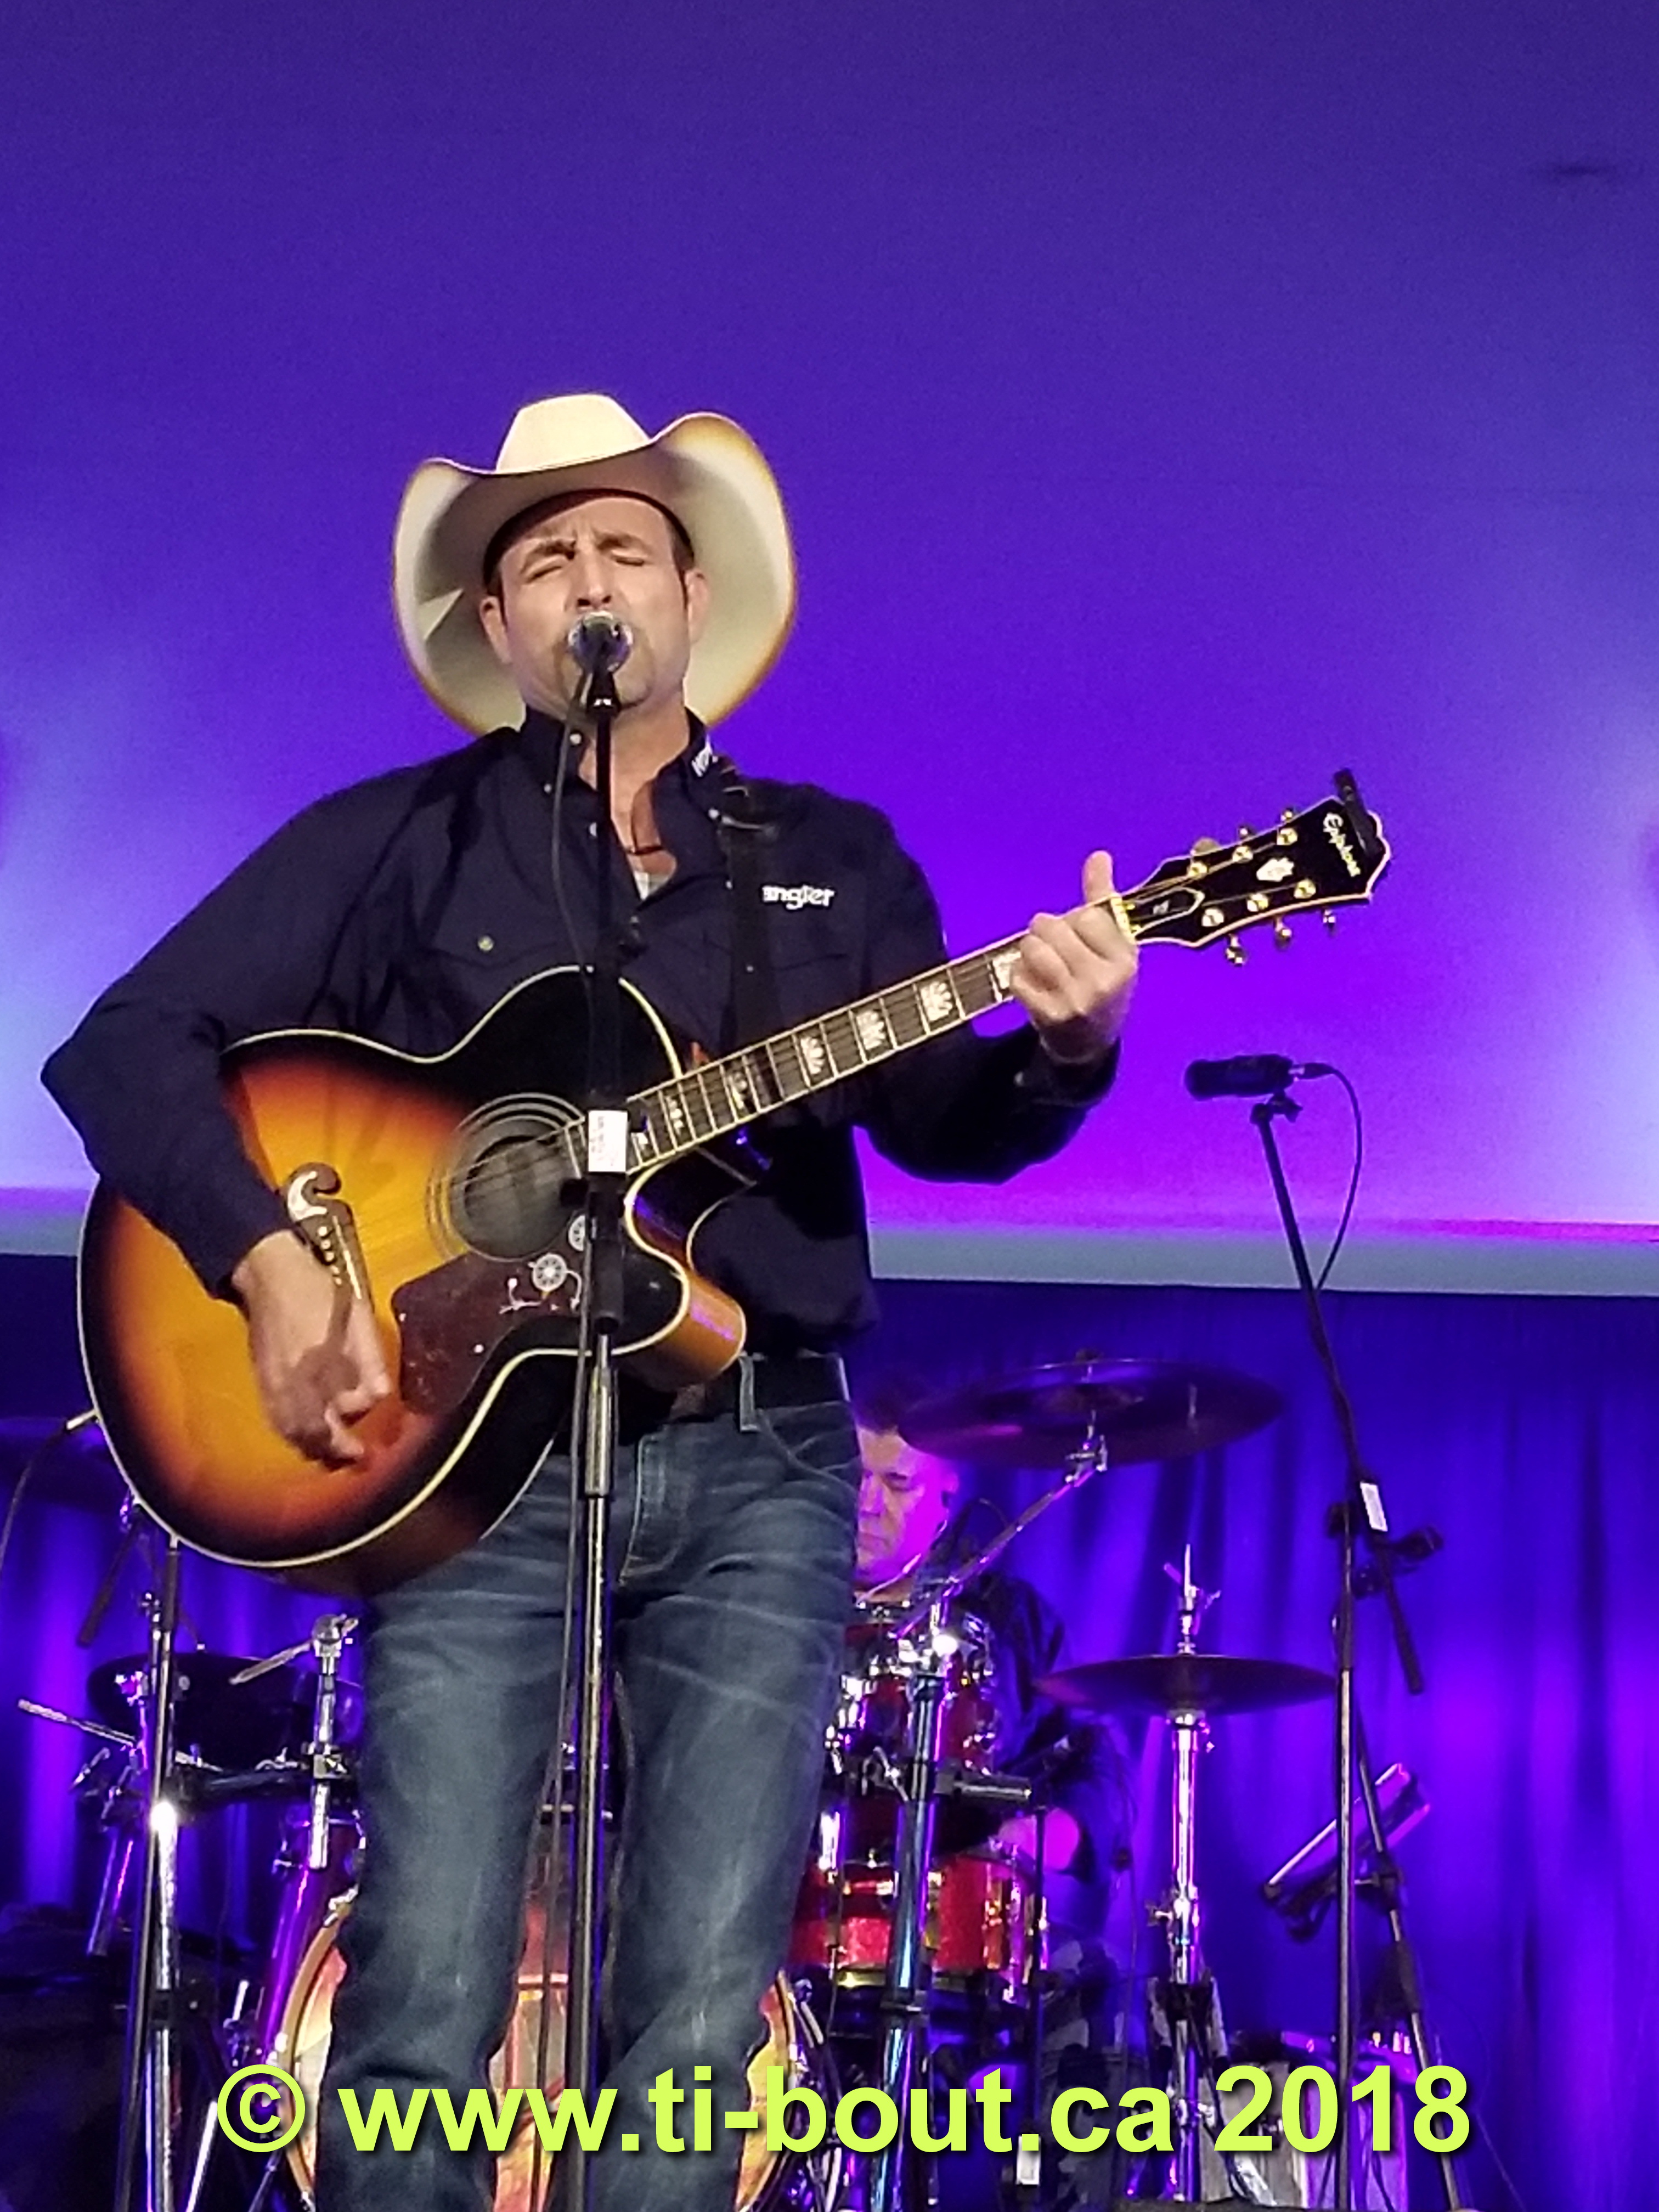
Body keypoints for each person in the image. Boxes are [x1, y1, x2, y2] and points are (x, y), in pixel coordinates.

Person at [42, 393, 1139, 2212]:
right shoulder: (402, 842)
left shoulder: (826, 857)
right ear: (498, 625)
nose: (587, 579)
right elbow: (123, 1045)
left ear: (693, 595)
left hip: (762, 1455)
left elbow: (946, 1123)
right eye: (543, 558)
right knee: (423, 1984)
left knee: (701, 2013)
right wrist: (267, 1258)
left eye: (624, 545)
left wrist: (1066, 1050)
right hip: (471, 1470)